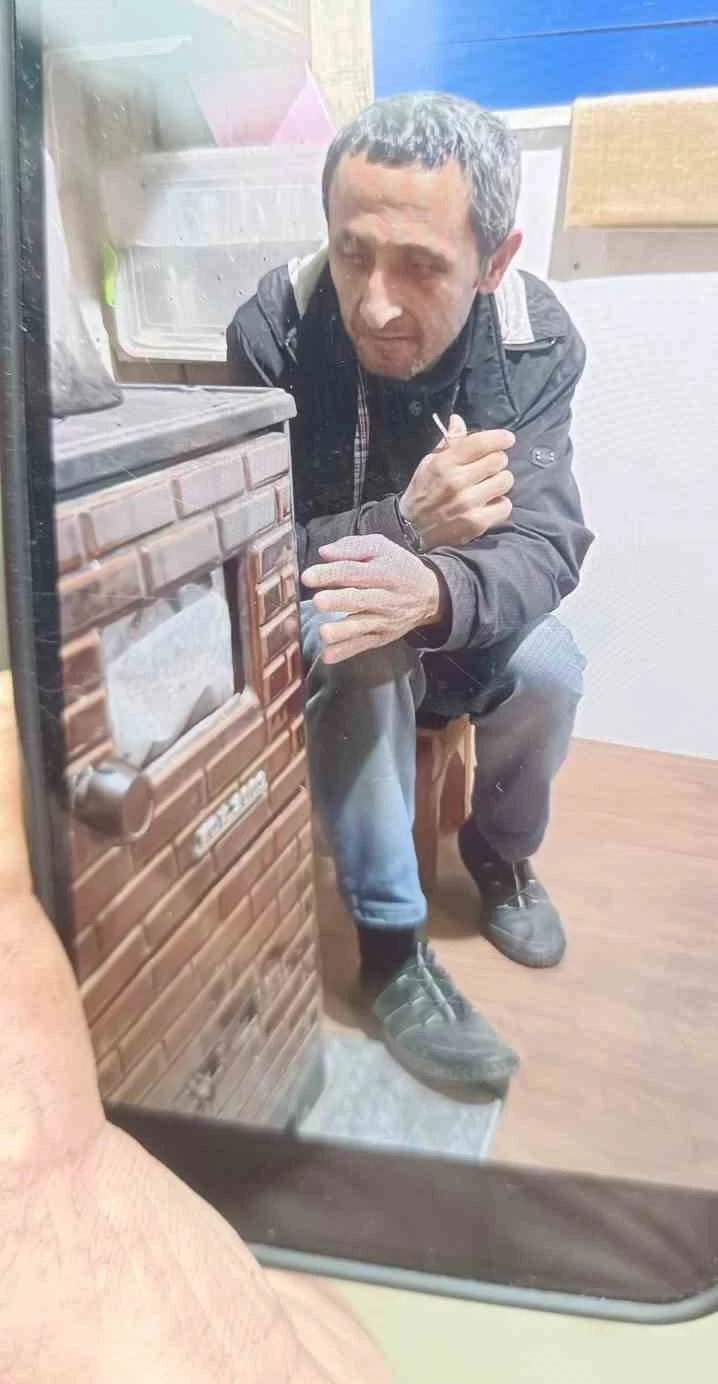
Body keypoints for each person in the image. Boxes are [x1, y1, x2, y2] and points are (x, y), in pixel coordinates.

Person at [227, 93, 592, 1090]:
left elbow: (548, 539)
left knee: (553, 666)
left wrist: (431, 584)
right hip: (337, 622)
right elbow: (254, 554)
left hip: (459, 607)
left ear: (495, 260)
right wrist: (403, 528)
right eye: (352, 254)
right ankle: (389, 954)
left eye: (422, 267)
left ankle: (500, 855)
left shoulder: (533, 340)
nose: (375, 305)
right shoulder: (272, 330)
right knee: (361, 632)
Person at [0, 673, 390, 1383]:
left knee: (387, 667)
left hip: (450, 637)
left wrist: (444, 606)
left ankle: (398, 944)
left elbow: (530, 576)